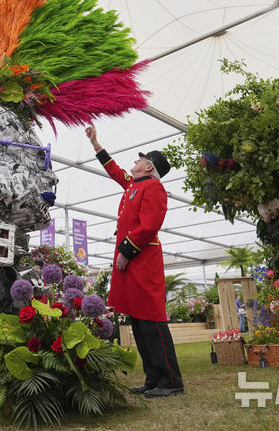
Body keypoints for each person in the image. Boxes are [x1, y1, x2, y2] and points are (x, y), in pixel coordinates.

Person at [85, 125, 184, 398]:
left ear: (150, 168)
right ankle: (153, 378)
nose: (135, 162)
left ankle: (171, 381)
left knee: (152, 321)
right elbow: (114, 170)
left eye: (140, 159)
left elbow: (149, 225)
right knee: (139, 323)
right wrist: (96, 144)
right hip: (133, 262)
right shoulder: (134, 185)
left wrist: (126, 251)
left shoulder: (154, 188)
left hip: (143, 260)